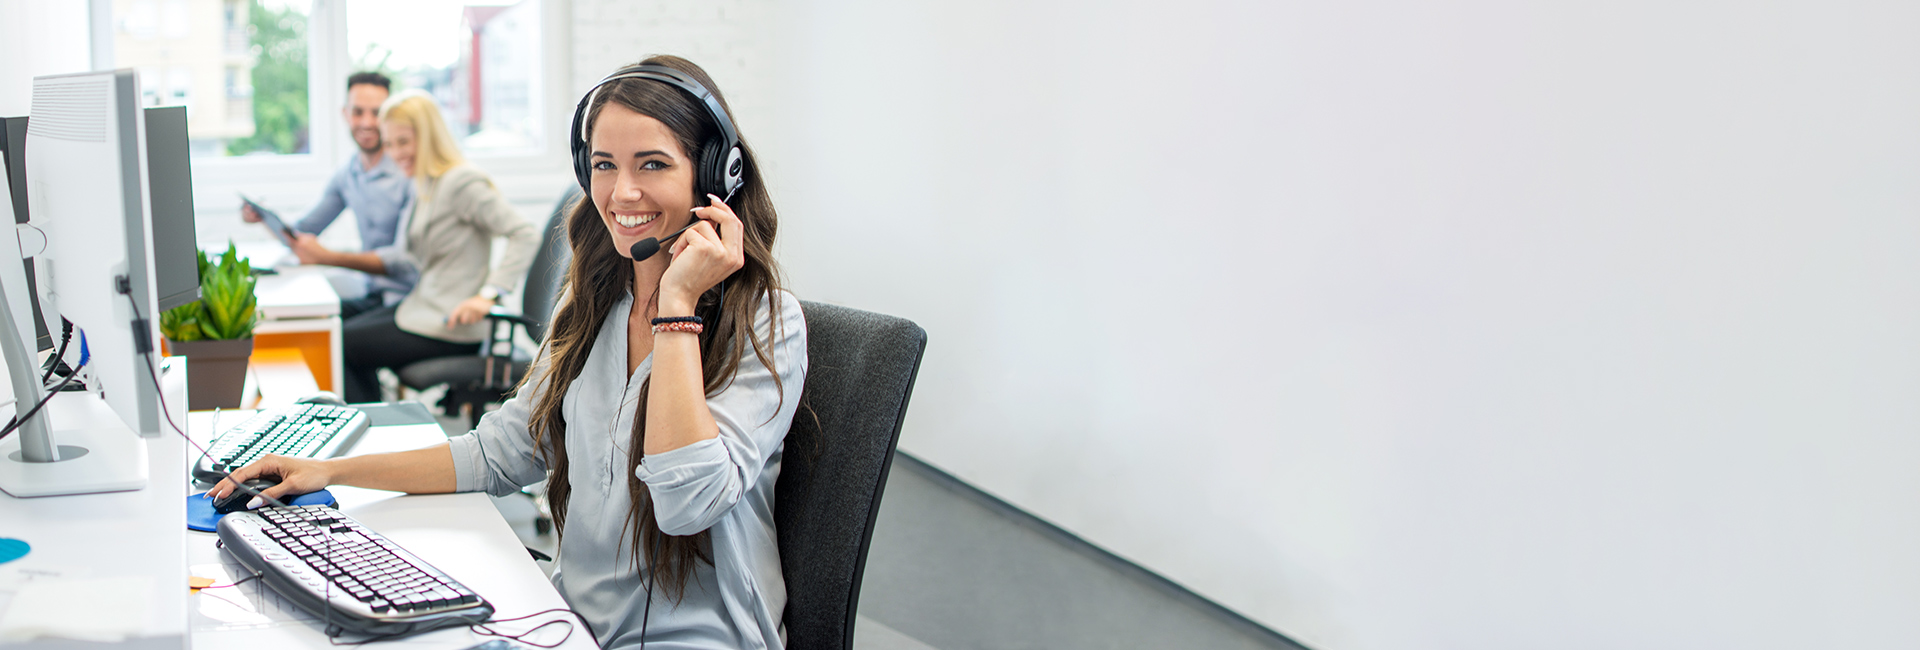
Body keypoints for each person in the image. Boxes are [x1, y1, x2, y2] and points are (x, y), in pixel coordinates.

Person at [213, 56, 807, 649]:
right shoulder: (598, 300)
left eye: (652, 164)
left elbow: (686, 507)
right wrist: (330, 472)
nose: (622, 192)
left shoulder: (765, 321)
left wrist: (677, 308)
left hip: (696, 638)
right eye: (604, 165)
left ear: (714, 173)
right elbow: (501, 453)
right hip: (573, 620)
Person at [336, 91, 541, 403]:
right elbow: (408, 253)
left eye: (403, 142)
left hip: (451, 325)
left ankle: (367, 433)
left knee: (341, 345)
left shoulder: (461, 182)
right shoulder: (427, 183)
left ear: (430, 137)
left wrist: (489, 294)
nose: (394, 153)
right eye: (389, 144)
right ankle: (372, 425)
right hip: (423, 309)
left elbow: (523, 233)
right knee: (336, 333)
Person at [241, 71, 414, 318]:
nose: (366, 122)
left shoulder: (408, 172)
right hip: (373, 295)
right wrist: (263, 218)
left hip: (406, 300)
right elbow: (303, 232)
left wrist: (327, 257)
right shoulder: (348, 174)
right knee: (301, 322)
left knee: (336, 339)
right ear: (345, 114)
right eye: (358, 112)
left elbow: (403, 259)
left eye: (376, 113)